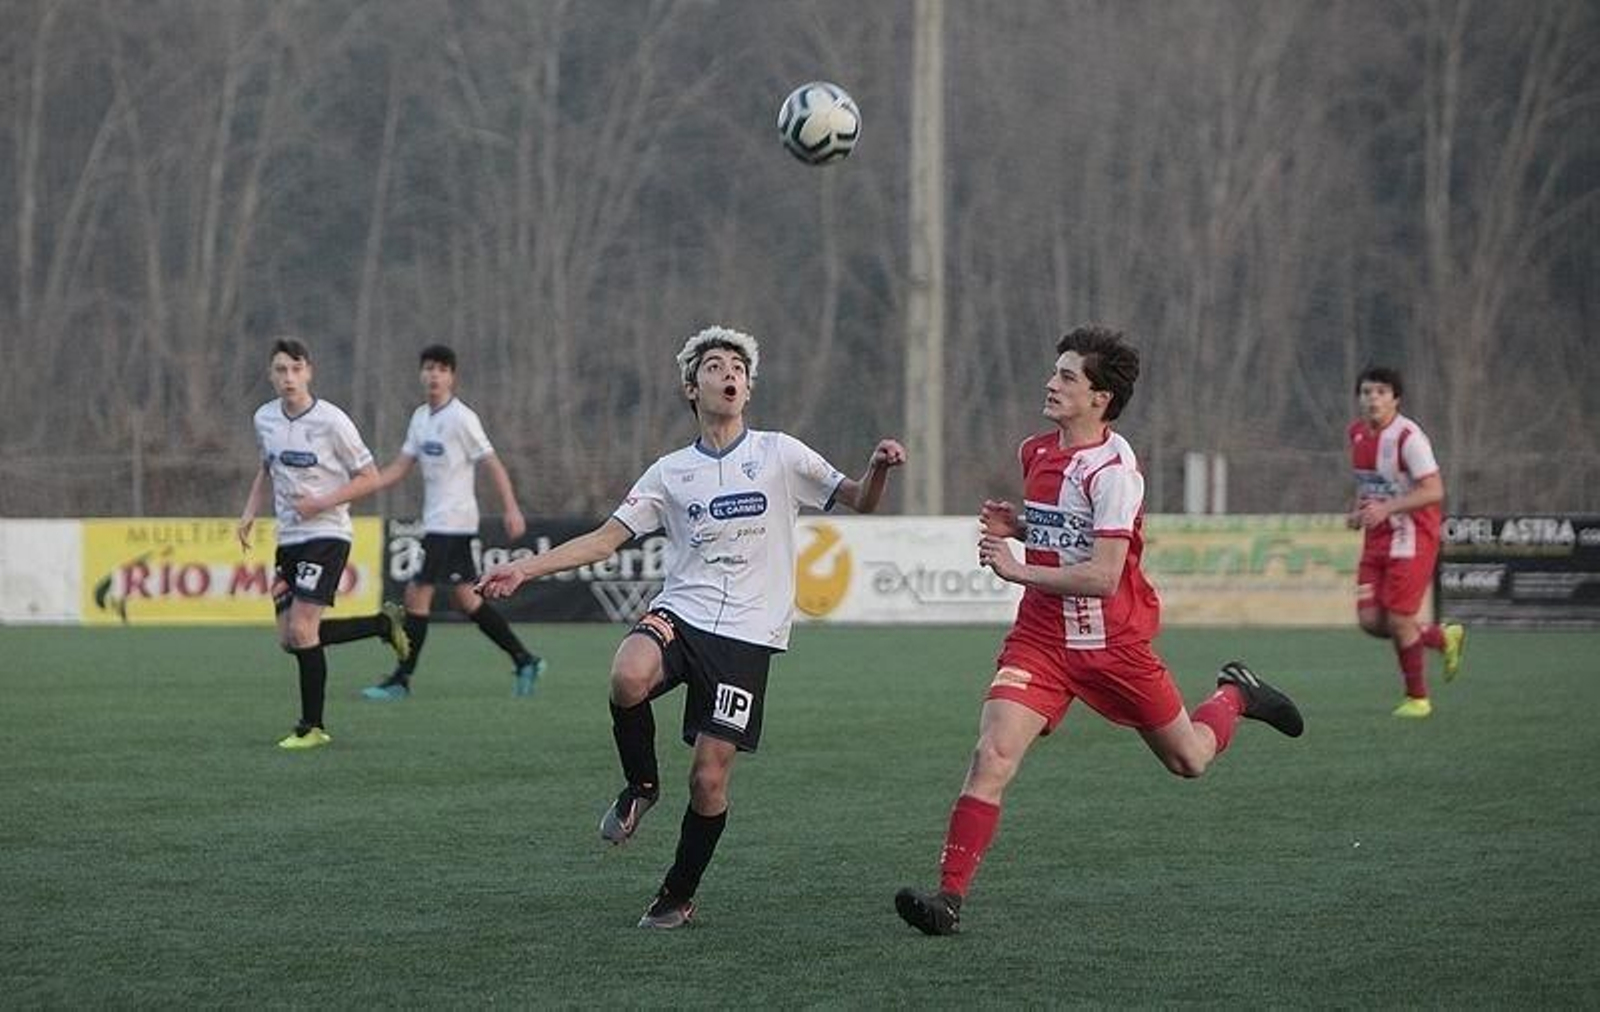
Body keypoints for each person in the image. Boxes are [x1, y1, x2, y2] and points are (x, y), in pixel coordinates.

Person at [477, 325, 906, 929]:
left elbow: (861, 499)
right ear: (692, 386)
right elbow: (605, 538)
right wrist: (525, 568)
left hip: (747, 639)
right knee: (627, 674)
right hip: (684, 612)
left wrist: (877, 466)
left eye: (738, 367)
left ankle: (677, 893)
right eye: (715, 366)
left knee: (708, 780)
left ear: (748, 390)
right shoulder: (670, 472)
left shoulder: (782, 454)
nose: (729, 373)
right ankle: (641, 787)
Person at [893, 324, 1304, 937]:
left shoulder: (1115, 474)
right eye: (1055, 371)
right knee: (991, 755)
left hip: (1114, 645)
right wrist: (1022, 527)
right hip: (1041, 641)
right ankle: (948, 900)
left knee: (1189, 760)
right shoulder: (1036, 452)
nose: (1051, 383)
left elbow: (1106, 576)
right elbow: (1068, 537)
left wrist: (1017, 566)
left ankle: (1235, 693)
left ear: (1099, 399)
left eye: (1066, 377)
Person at [310, 344, 546, 701]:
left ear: (452, 376)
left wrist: (511, 507)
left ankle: (402, 680)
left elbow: (492, 463)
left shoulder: (462, 418)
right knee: (467, 600)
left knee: (416, 594)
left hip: (453, 523)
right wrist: (354, 489)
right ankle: (525, 659)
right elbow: (399, 468)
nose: (434, 375)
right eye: (428, 368)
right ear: (421, 374)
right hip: (438, 522)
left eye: (441, 369)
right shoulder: (421, 417)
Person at [237, 337, 411, 750]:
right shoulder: (264, 418)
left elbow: (370, 476)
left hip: (328, 534)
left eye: (296, 369)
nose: (288, 378)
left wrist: (322, 503)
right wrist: (249, 511)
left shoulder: (333, 421)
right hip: (289, 539)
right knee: (289, 638)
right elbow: (267, 467)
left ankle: (312, 726)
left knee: (302, 628)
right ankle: (379, 624)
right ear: (271, 375)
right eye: (281, 370)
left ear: (309, 371)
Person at [1346, 366, 1465, 719]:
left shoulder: (1409, 437)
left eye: (1381, 392)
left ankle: (1418, 698)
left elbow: (1434, 490)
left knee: (1400, 620)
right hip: (1376, 537)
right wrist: (1357, 512)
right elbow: (1369, 486)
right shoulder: (1356, 434)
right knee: (1369, 620)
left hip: (1412, 536)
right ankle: (1442, 639)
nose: (1373, 399)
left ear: (1395, 398)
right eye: (1367, 392)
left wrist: (1387, 508)